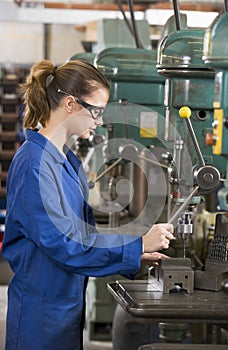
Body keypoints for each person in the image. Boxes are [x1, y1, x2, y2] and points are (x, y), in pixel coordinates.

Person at [2, 59, 174, 350]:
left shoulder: (66, 161)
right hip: (41, 314)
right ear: (70, 103)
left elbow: (82, 235)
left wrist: (134, 254)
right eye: (96, 111)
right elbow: (65, 245)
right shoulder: (35, 165)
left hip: (64, 308)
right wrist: (137, 245)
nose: (99, 120)